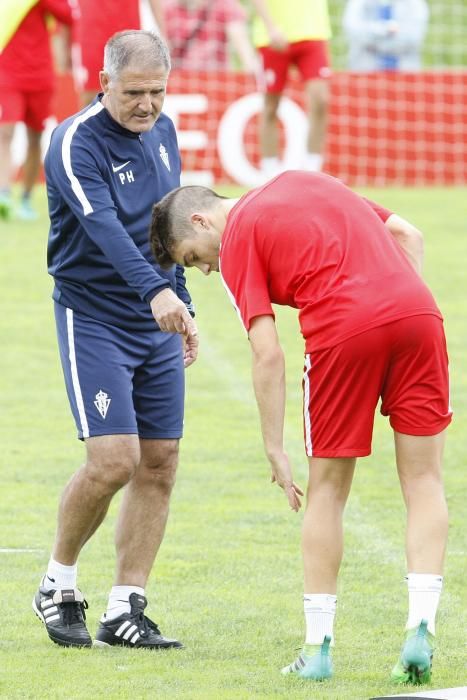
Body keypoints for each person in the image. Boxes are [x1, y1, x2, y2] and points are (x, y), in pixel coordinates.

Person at [149, 171, 451, 683]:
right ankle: (420, 627)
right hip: (419, 315)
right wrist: (398, 304)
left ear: (201, 219)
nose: (202, 270)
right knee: (424, 481)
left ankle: (317, 650)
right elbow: (408, 235)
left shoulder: (238, 233)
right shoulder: (307, 179)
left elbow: (267, 354)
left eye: (193, 258)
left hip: (343, 332)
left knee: (326, 493)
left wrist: (273, 446)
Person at [33, 29, 199, 650]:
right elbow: (103, 229)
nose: (148, 105)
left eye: (158, 92)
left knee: (160, 462)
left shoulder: (164, 131)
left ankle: (126, 607)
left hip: (156, 320)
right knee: (113, 461)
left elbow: (168, 224)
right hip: (95, 317)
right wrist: (155, 294)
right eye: (134, 92)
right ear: (103, 83)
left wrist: (181, 300)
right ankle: (58, 584)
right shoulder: (74, 142)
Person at [0, 0, 77, 221]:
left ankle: (25, 198)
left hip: (40, 75)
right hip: (8, 73)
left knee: (36, 138)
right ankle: (3, 194)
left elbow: (70, 15)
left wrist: (67, 54)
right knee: (5, 133)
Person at [250, 0, 332, 178]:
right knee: (271, 105)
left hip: (313, 32)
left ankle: (313, 170)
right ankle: (269, 173)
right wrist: (270, 26)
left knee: (321, 99)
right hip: (273, 37)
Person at [73, 0, 166, 106]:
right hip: (91, 31)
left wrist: (163, 34)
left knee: (132, 94)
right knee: (92, 99)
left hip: (128, 32)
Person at [155, 0, 257, 73]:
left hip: (214, 82)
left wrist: (250, 64)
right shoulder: (164, 8)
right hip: (179, 84)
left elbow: (241, 40)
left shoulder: (223, 4)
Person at [342, 0, 430, 72]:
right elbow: (355, 32)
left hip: (405, 76)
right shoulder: (358, 3)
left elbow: (412, 37)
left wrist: (374, 39)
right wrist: (386, 30)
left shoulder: (415, 3)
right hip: (364, 74)